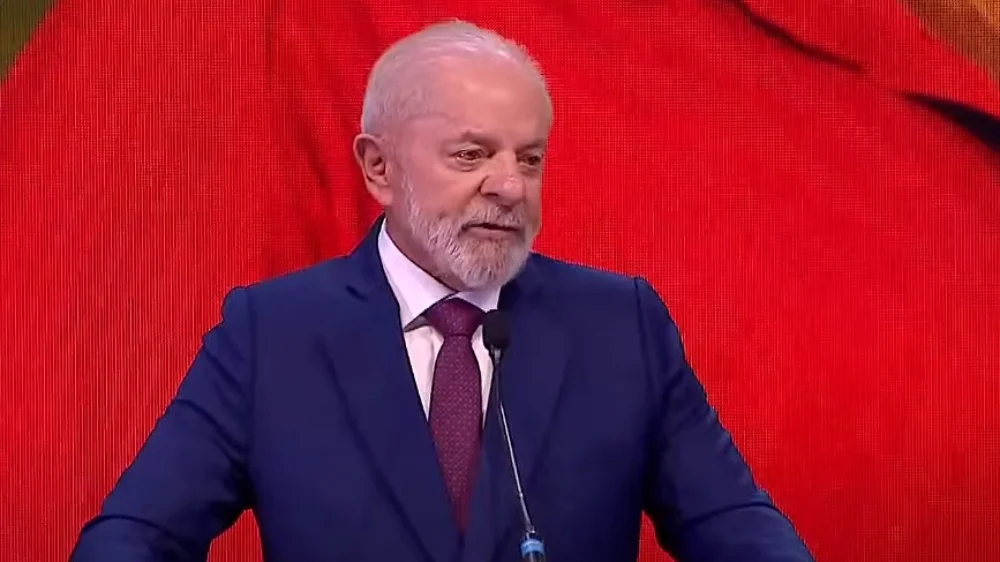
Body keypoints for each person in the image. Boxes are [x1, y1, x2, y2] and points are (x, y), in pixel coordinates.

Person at [70, 20, 814, 562]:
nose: (510, 186)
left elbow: (733, 524)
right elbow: (138, 534)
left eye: (529, 158)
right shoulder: (272, 335)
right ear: (379, 168)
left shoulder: (621, 325)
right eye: (471, 155)